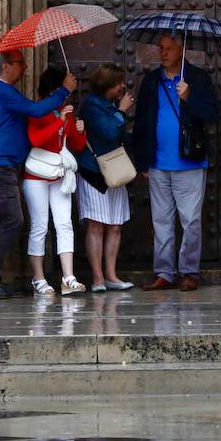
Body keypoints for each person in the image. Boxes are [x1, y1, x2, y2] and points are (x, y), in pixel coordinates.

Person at [0, 48, 76, 298]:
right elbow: (35, 110)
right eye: (21, 63)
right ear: (6, 66)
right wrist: (64, 90)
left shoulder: (4, 92)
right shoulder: (1, 90)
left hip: (1, 164)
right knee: (13, 219)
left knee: (0, 220)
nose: (25, 68)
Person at [131, 36, 220, 292]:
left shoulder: (198, 78)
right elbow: (141, 123)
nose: (164, 53)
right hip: (158, 163)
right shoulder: (151, 81)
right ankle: (164, 273)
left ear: (182, 50)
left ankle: (190, 271)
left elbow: (212, 114)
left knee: (190, 220)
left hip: (189, 162)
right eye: (161, 48)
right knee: (161, 221)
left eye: (170, 48)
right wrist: (143, 161)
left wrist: (190, 96)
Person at [23, 66, 87, 296]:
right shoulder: (38, 110)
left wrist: (80, 130)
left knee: (64, 223)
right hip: (36, 177)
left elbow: (76, 145)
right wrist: (60, 121)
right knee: (40, 226)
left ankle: (68, 278)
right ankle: (38, 278)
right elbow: (36, 138)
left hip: (59, 174)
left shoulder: (64, 110)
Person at [75, 63, 136, 293]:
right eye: (119, 82)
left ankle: (111, 275)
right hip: (94, 173)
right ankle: (98, 278)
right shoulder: (92, 105)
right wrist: (121, 111)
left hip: (115, 172)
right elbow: (109, 133)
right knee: (96, 225)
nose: (123, 85)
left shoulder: (109, 104)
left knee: (114, 226)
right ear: (108, 84)